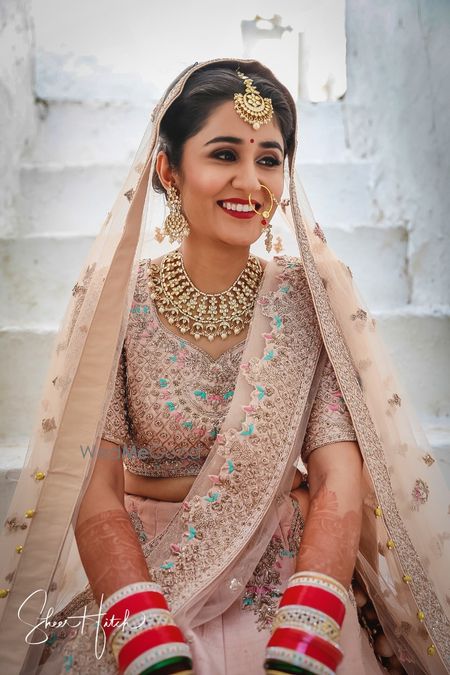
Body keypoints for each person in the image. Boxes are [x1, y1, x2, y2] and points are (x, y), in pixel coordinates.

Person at [0, 59, 448, 675]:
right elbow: (92, 484)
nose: (250, 181)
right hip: (147, 577)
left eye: (269, 159)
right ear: (169, 170)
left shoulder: (307, 296)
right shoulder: (117, 304)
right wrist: (146, 641)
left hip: (289, 581)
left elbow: (339, 475)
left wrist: (305, 637)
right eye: (223, 154)